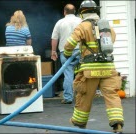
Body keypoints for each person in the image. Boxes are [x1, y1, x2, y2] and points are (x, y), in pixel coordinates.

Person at [63, 0, 124, 133]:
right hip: (108, 69)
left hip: (90, 71)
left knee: (84, 95)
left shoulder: (82, 26)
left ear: (82, 13)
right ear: (96, 11)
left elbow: (69, 44)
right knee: (112, 95)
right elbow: (112, 39)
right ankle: (117, 123)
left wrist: (67, 55)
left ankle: (80, 123)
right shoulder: (106, 27)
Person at [51, 4, 82, 104]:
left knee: (68, 74)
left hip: (65, 52)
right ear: (75, 11)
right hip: (80, 51)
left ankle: (68, 98)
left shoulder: (60, 22)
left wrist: (53, 51)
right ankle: (85, 95)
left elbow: (54, 38)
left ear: (64, 12)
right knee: (83, 73)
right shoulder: (81, 21)